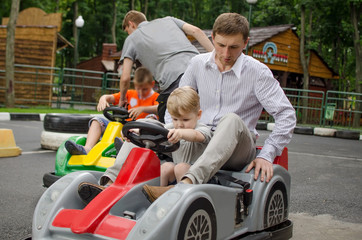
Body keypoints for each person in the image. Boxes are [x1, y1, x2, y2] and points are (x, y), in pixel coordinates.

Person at [142, 12, 296, 200]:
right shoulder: (197, 64)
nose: (226, 54)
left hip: (237, 149)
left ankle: (186, 185)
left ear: (245, 43)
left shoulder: (258, 72)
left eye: (234, 47)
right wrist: (171, 131)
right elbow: (176, 103)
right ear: (212, 38)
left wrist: (267, 154)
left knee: (230, 119)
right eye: (221, 45)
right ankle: (110, 183)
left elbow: (286, 115)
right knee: (147, 124)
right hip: (200, 138)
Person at [77, 87, 212, 204]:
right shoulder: (172, 127)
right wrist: (136, 132)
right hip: (175, 171)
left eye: (185, 120)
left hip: (196, 175)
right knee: (166, 167)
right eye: (175, 119)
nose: (180, 124)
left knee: (180, 167)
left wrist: (181, 133)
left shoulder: (202, 129)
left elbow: (197, 136)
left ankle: (181, 199)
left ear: (198, 115)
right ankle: (118, 187)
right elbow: (158, 131)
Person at [118, 10, 214, 123]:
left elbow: (125, 78)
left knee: (169, 123)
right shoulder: (169, 20)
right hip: (202, 69)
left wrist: (122, 99)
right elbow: (196, 31)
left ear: (131, 24)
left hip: (174, 81)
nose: (129, 34)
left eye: (128, 31)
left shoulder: (132, 39)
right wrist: (216, 58)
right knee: (204, 117)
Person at [65, 67, 159, 155]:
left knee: (151, 118)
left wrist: (143, 108)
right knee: (97, 120)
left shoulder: (155, 97)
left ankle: (125, 147)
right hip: (124, 125)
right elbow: (109, 97)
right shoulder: (129, 94)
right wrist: (103, 99)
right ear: (134, 85)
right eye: (138, 89)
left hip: (140, 130)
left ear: (152, 84)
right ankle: (88, 148)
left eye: (145, 89)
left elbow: (159, 108)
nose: (141, 92)